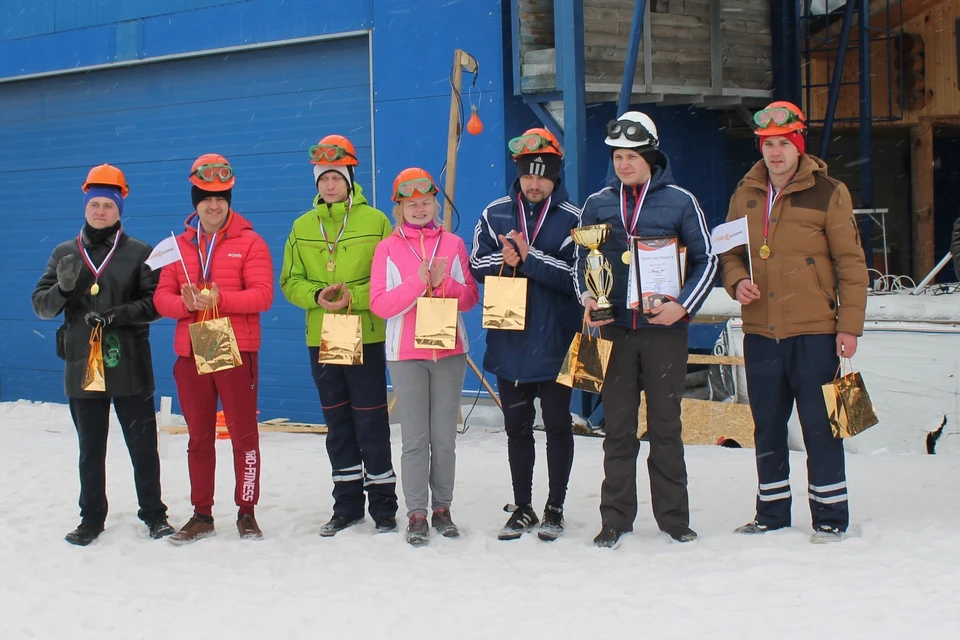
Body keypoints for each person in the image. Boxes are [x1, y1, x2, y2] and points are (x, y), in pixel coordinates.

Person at [718, 101, 868, 544]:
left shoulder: (829, 191)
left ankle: (829, 515)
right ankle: (771, 513)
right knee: (766, 423)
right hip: (761, 331)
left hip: (816, 330)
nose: (776, 153)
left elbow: (851, 264)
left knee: (821, 424)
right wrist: (736, 280)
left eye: (784, 143)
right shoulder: (745, 193)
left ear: (798, 146)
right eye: (768, 144)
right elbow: (728, 252)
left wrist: (849, 326)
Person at [575, 111, 717, 549]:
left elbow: (706, 260)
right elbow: (582, 262)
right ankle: (615, 518)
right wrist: (587, 295)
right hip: (614, 331)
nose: (623, 164)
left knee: (666, 426)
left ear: (651, 157)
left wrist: (682, 306)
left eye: (632, 156)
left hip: (663, 331)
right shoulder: (598, 203)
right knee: (617, 429)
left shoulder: (679, 201)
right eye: (618, 156)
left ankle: (674, 518)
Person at [32, 164, 173, 546]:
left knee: (143, 445)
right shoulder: (64, 253)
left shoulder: (140, 252)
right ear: (85, 207)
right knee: (90, 447)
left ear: (119, 209)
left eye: (107, 205)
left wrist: (120, 313)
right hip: (82, 362)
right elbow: (41, 308)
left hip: (129, 360)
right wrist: (61, 290)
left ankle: (154, 515)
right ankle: (91, 518)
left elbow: (156, 303)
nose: (100, 211)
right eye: (94, 204)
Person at [280, 134, 399, 536]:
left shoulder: (377, 221)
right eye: (323, 178)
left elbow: (389, 277)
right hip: (323, 334)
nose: (330, 185)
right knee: (338, 424)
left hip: (364, 332)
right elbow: (289, 281)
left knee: (370, 420)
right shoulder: (301, 226)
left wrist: (356, 296)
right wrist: (316, 295)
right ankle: (346, 505)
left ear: (350, 178)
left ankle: (384, 505)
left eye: (337, 177)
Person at [154, 154, 274, 544]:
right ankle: (202, 513)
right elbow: (161, 299)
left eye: (221, 196)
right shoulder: (178, 246)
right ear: (195, 201)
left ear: (229, 199)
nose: (213, 204)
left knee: (244, 436)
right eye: (205, 196)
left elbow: (263, 296)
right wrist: (187, 305)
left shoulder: (251, 241)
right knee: (199, 437)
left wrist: (224, 300)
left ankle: (247, 511)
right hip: (192, 352)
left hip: (235, 349)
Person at [469, 128, 582, 542]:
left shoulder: (575, 218)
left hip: (557, 341)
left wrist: (530, 259)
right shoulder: (496, 212)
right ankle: (522, 507)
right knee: (516, 428)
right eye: (528, 176)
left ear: (555, 177)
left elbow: (579, 277)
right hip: (509, 339)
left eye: (543, 176)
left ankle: (555, 508)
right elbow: (475, 262)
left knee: (557, 427)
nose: (534, 184)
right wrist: (506, 257)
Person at [369, 168, 479, 546]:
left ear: (435, 204)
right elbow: (381, 305)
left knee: (444, 437)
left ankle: (442, 508)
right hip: (406, 353)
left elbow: (469, 298)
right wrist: (419, 283)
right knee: (415, 438)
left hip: (449, 351)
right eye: (411, 203)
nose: (419, 209)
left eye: (426, 202)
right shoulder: (387, 248)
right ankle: (416, 511)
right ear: (399, 207)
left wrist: (442, 283)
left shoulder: (453, 243)